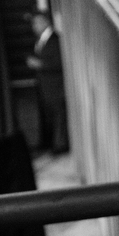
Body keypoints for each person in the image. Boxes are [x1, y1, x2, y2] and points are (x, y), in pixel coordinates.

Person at [27, 9, 68, 155]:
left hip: (56, 86)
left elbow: (59, 62)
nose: (34, 26)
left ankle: (60, 146)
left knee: (59, 116)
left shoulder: (54, 39)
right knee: (52, 116)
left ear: (45, 21)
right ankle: (54, 144)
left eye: (36, 22)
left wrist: (40, 64)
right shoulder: (40, 40)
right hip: (46, 87)